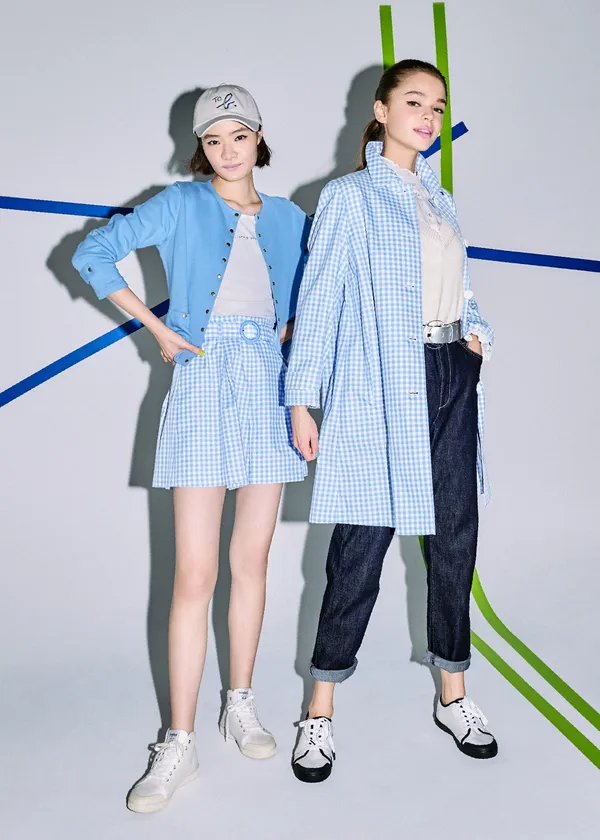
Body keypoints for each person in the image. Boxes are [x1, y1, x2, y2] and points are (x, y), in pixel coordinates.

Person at [72, 84, 309, 811]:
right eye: (213, 139)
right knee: (194, 574)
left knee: (252, 562)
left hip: (270, 385)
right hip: (204, 380)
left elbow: (309, 308)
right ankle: (179, 740)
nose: (228, 150)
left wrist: (300, 393)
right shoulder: (178, 203)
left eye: (239, 135)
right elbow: (93, 252)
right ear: (201, 148)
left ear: (259, 138)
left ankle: (240, 702)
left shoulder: (292, 218)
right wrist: (156, 328)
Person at [285, 59, 497, 783]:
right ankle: (319, 710)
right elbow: (319, 301)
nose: (428, 117)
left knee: (455, 539)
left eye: (438, 106)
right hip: (381, 386)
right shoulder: (348, 198)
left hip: (451, 374)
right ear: (380, 110)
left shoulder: (440, 198)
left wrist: (475, 337)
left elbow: (459, 286)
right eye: (414, 102)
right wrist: (301, 398)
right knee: (360, 546)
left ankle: (453, 695)